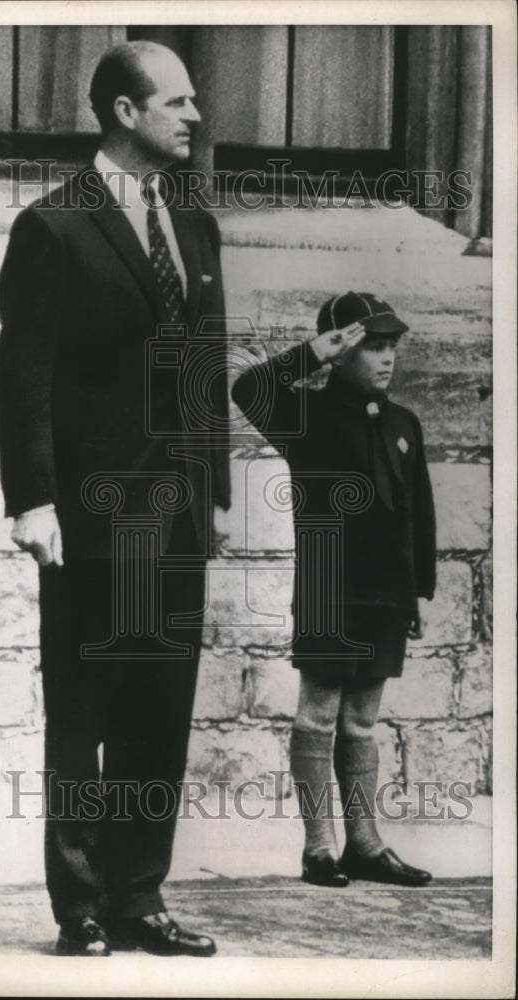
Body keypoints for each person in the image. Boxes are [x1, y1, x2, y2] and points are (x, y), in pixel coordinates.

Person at [0, 41, 230, 955]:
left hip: (174, 515)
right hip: (90, 515)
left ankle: (140, 899)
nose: (193, 117)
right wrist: (34, 500)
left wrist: (209, 490)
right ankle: (81, 906)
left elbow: (204, 365)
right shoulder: (53, 227)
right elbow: (25, 376)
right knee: (84, 709)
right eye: (174, 102)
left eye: (192, 101)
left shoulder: (194, 225)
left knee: (158, 710)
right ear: (124, 113)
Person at [232, 291, 436, 888]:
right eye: (372, 346)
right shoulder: (309, 416)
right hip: (329, 589)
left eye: (391, 346)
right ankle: (319, 847)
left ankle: (364, 844)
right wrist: (309, 355)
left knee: (362, 723)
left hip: (385, 595)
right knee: (319, 718)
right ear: (341, 351)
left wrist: (417, 588)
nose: (386, 358)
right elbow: (248, 392)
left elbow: (417, 511)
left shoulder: (404, 424)